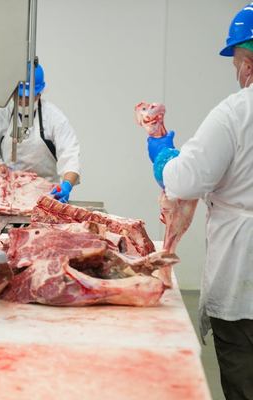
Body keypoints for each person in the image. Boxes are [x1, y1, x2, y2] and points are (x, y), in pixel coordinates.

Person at [147, 4, 253, 398]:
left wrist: (163, 157)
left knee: (244, 378)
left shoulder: (237, 111)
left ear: (246, 64)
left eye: (236, 63)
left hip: (244, 277)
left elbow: (185, 179)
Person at [0, 62, 81, 203]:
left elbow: (70, 155)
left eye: (29, 97)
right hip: (9, 195)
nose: (23, 101)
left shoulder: (54, 117)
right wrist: (4, 174)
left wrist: (67, 185)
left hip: (47, 196)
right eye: (19, 96)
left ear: (39, 93)